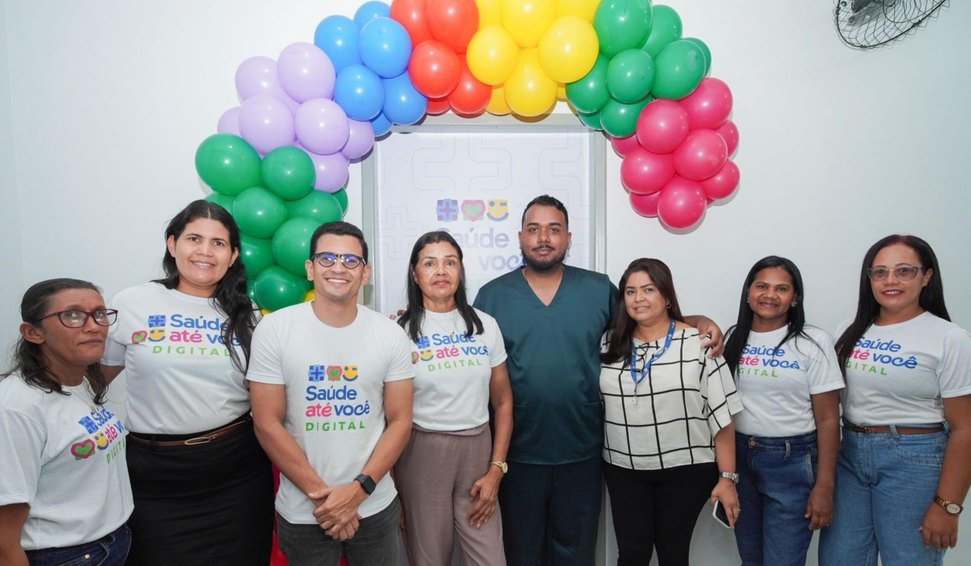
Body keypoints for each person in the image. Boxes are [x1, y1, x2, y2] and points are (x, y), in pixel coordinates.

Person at [472, 194, 725, 566]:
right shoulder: (492, 296)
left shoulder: (597, 289)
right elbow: (466, 361)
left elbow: (645, 319)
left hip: (582, 451)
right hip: (518, 454)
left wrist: (699, 322)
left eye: (554, 229)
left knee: (576, 552)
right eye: (534, 229)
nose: (543, 237)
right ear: (521, 237)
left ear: (568, 238)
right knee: (521, 551)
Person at [102, 200, 273, 564]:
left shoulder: (250, 315)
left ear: (233, 255)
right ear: (172, 244)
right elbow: (93, 382)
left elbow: (263, 396)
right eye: (194, 238)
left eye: (218, 243)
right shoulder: (133, 302)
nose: (205, 251)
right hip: (155, 476)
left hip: (236, 470)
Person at [247, 221, 414, 566]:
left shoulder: (390, 334)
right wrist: (327, 500)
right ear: (310, 268)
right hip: (304, 511)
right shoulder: (274, 329)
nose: (339, 267)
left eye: (351, 260)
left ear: (365, 273)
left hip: (374, 504)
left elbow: (400, 421)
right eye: (327, 258)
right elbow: (266, 423)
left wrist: (358, 491)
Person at [819, 235, 971, 565]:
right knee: (838, 559)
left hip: (914, 460)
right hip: (850, 454)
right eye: (880, 272)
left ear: (926, 276)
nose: (890, 281)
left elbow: (965, 428)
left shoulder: (950, 338)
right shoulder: (849, 329)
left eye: (904, 271)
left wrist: (948, 506)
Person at [599, 258, 742, 566]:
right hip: (623, 468)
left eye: (648, 289)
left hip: (685, 469)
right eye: (630, 291)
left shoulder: (700, 343)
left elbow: (722, 417)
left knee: (673, 554)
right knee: (632, 555)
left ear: (666, 296)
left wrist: (727, 478)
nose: (638, 298)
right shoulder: (609, 342)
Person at [394, 231, 513, 566]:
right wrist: (392, 487)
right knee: (430, 558)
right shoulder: (398, 332)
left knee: (490, 558)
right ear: (415, 274)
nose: (440, 271)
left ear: (460, 270)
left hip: (478, 452)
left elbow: (503, 402)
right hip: (421, 453)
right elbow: (387, 416)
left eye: (449, 262)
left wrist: (496, 470)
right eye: (429, 263)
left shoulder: (485, 325)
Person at [0, 278, 132, 566]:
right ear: (33, 332)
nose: (93, 326)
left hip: (109, 544)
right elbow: (3, 541)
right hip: (64, 556)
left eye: (99, 313)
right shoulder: (16, 408)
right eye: (72, 315)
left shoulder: (79, 381)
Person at [723, 256, 843, 566]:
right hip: (740, 458)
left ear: (795, 297)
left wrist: (825, 485)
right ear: (748, 292)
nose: (770, 295)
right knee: (750, 559)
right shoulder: (734, 337)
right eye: (762, 286)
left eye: (781, 288)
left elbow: (829, 419)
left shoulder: (813, 342)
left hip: (792, 461)